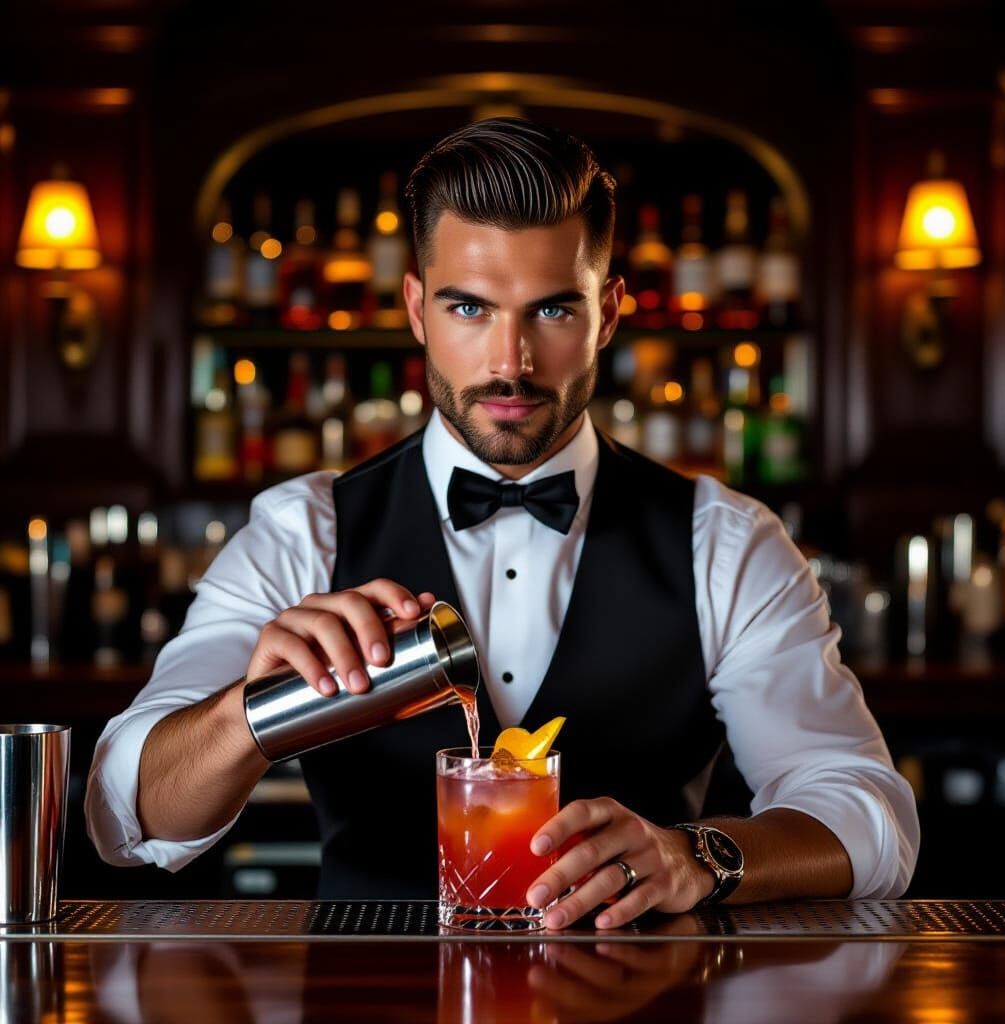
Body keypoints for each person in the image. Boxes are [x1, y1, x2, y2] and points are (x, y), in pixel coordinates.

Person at [86, 117, 919, 930]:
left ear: (611, 312)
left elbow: (870, 819)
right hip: (364, 1002)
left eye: (553, 311)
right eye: (469, 310)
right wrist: (250, 712)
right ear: (417, 309)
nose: (510, 361)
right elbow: (126, 818)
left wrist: (697, 857)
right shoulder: (303, 534)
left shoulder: (727, 544)